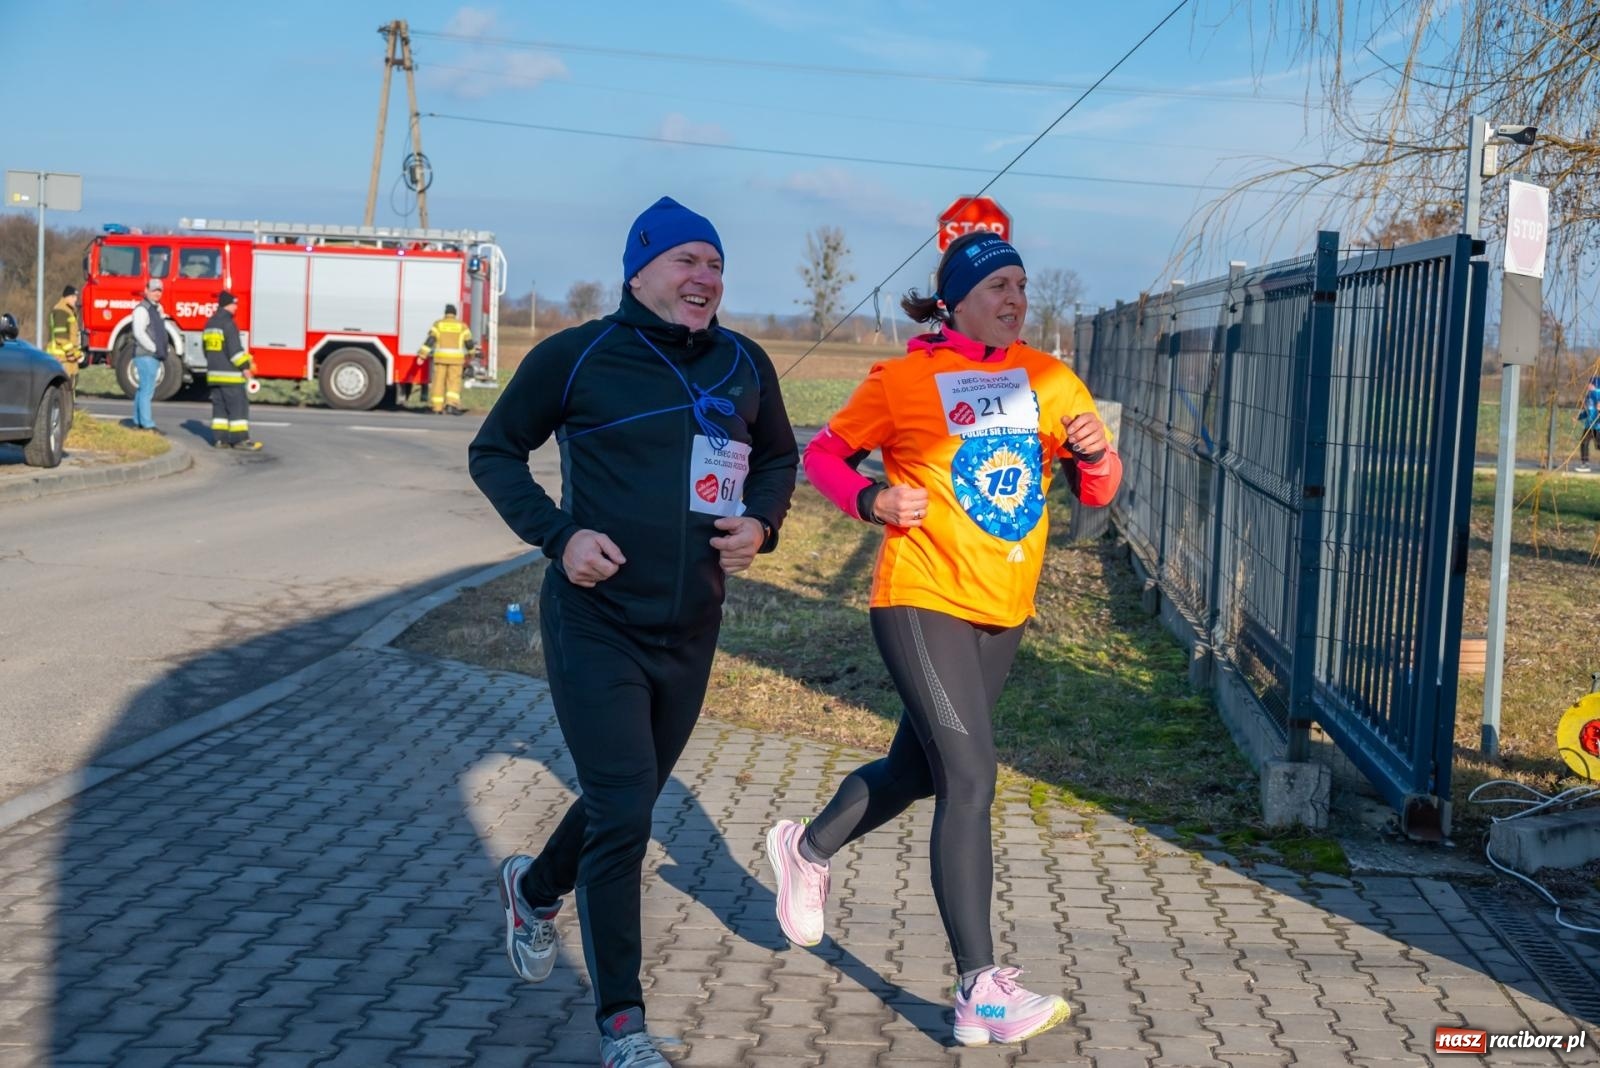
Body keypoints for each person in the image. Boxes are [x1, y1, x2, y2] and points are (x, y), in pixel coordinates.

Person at [765, 231, 1122, 1047]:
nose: (1014, 298)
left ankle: (807, 849)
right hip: (921, 595)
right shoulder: (902, 381)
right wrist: (870, 501)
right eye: (997, 285)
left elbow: (1097, 492)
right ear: (956, 299)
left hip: (1004, 607)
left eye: (1021, 284)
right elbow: (824, 454)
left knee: (918, 771)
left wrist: (1097, 456)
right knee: (970, 775)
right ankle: (979, 988)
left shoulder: (1051, 380)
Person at [469, 196, 798, 1068]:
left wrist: (762, 522)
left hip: (690, 627)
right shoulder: (578, 356)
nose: (705, 278)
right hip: (597, 621)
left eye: (716, 264)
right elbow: (494, 450)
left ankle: (535, 889)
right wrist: (560, 536)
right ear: (639, 270)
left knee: (629, 802)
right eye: (687, 260)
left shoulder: (744, 360)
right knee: (622, 809)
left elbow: (778, 456)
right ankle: (624, 1026)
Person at [202, 292, 262, 451]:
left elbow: (206, 350)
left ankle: (220, 440)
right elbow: (235, 352)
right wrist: (246, 369)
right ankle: (240, 440)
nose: (236, 307)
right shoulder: (228, 324)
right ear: (227, 304)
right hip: (231, 377)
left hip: (214, 376)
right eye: (234, 304)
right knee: (238, 408)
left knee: (219, 409)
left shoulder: (210, 324)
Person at [419, 304, 475, 415]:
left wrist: (422, 355)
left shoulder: (438, 325)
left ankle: (437, 408)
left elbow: (430, 340)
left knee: (438, 383)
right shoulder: (462, 326)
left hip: (440, 359)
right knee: (453, 383)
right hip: (456, 361)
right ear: (455, 314)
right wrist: (471, 354)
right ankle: (451, 405)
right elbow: (469, 342)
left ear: (445, 313)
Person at [129, 279, 167, 432]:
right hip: (146, 355)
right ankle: (147, 424)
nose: (157, 293)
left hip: (151, 355)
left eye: (159, 290)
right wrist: (154, 349)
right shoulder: (142, 310)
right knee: (147, 390)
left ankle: (138, 421)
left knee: (143, 389)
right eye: (154, 290)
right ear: (146, 290)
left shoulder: (155, 309)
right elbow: (139, 333)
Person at [1577, 374, 1600, 473]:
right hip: (1589, 425)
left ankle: (1585, 463)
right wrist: (1578, 417)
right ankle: (1585, 464)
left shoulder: (1597, 394)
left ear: (1594, 384)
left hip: (1597, 425)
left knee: (1598, 445)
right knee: (1584, 442)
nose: (1588, 385)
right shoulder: (1588, 396)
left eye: (1590, 383)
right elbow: (1588, 411)